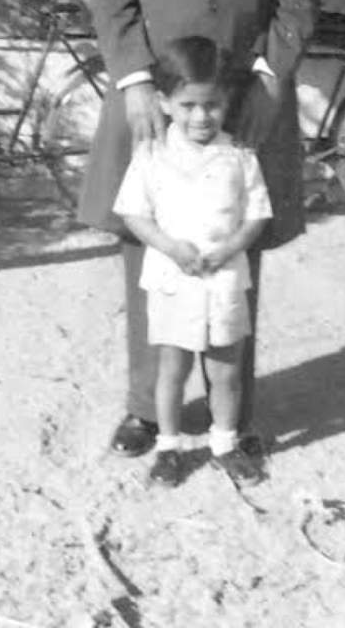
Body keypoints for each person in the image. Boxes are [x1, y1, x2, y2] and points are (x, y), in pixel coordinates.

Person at [77, 0, 323, 484]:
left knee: (234, 255)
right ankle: (147, 409)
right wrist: (134, 80)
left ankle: (232, 422)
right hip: (157, 100)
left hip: (243, 100)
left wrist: (270, 77)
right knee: (146, 254)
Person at [113, 36, 272, 488]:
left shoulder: (239, 155)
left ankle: (223, 445)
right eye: (187, 106)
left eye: (212, 105)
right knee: (172, 370)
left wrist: (229, 248)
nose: (201, 117)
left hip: (223, 280)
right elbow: (133, 213)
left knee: (226, 371)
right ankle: (169, 448)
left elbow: (257, 215)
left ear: (227, 102)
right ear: (163, 103)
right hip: (173, 278)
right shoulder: (151, 154)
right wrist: (169, 246)